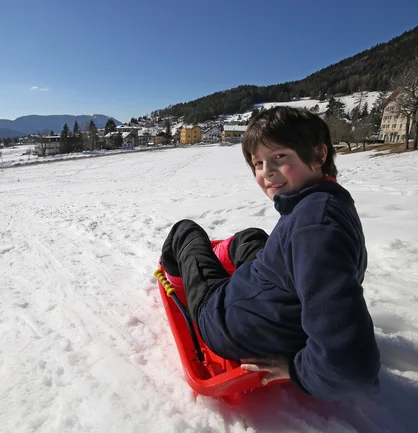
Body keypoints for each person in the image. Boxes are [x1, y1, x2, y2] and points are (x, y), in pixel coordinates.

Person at [160, 106, 380, 401]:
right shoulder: (328, 203)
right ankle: (224, 263)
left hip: (225, 321)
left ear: (319, 154)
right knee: (251, 237)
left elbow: (352, 365)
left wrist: (298, 370)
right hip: (272, 307)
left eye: (279, 157)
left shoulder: (315, 229)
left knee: (185, 231)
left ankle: (186, 285)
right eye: (258, 163)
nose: (267, 173)